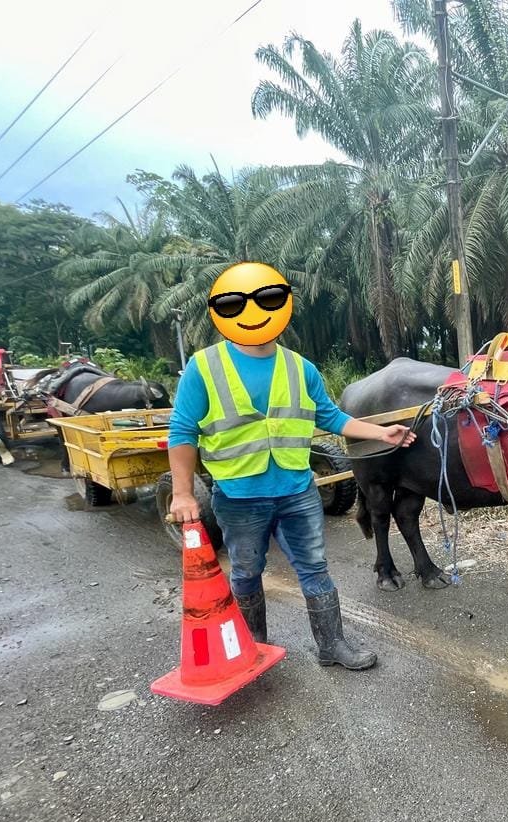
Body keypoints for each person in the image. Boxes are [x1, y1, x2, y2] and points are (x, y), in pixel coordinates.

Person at [166, 262, 414, 671]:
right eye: (236, 303)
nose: (255, 311)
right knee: (246, 570)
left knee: (315, 566)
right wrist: (182, 492)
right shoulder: (204, 366)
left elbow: (330, 417)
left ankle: (332, 646)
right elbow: (182, 431)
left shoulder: (301, 367)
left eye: (268, 299)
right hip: (239, 495)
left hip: (297, 491)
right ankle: (252, 645)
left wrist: (379, 431)